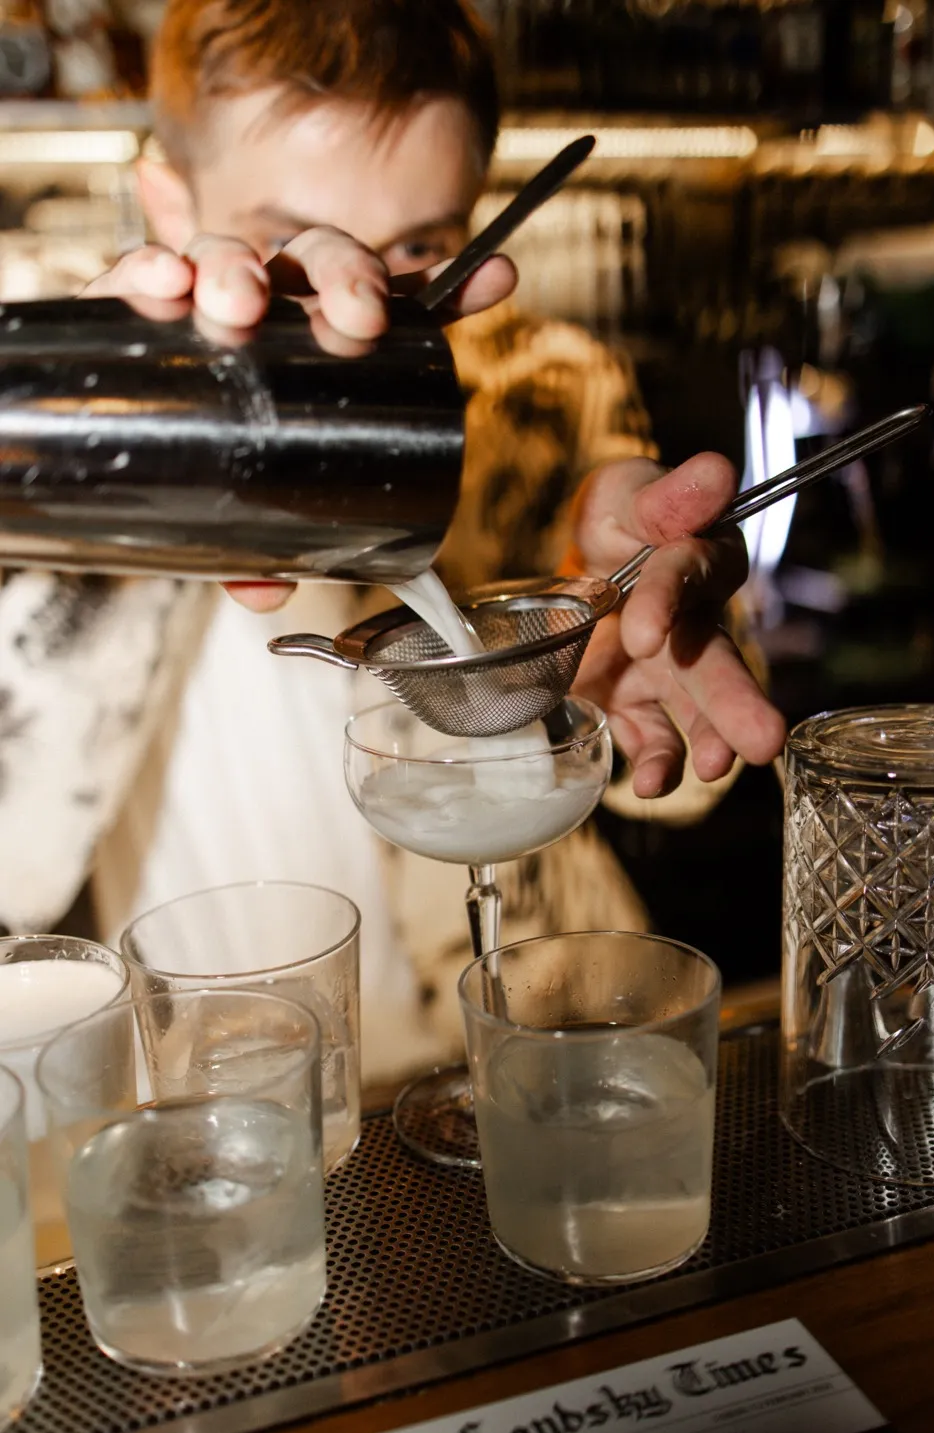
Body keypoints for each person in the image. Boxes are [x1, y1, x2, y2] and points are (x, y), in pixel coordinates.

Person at [0, 0, 785, 1078]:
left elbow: (695, 769)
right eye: (288, 245)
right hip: (178, 1082)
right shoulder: (92, 408)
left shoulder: (542, 389)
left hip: (504, 1048)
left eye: (416, 251)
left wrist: (637, 642)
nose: (353, 296)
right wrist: (128, 429)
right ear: (169, 201)